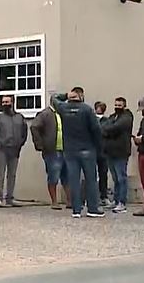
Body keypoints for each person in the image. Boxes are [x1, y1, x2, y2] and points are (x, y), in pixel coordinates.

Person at [57, 87, 103, 218]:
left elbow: (53, 98)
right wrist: (99, 147)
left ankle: (76, 210)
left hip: (70, 150)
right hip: (87, 148)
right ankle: (92, 209)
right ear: (81, 96)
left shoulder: (62, 108)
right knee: (91, 180)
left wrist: (66, 95)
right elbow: (96, 129)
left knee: (73, 180)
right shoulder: (87, 109)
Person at [31, 94, 70, 210]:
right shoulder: (45, 114)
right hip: (52, 151)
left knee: (67, 177)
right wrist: (40, 145)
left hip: (65, 149)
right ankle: (54, 201)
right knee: (53, 176)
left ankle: (70, 201)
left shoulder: (64, 114)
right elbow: (34, 127)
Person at [0, 95, 28, 207]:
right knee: (0, 174)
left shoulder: (20, 117)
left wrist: (20, 144)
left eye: (7, 102)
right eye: (3, 102)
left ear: (12, 102)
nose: (5, 104)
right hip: (2, 150)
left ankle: (10, 198)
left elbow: (24, 132)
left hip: (14, 150)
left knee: (12, 175)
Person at [101, 97, 134, 213]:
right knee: (115, 178)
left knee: (121, 178)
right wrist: (108, 130)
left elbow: (115, 127)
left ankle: (122, 202)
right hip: (110, 152)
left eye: (120, 105)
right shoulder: (112, 117)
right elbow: (103, 127)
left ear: (124, 106)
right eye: (116, 105)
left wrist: (108, 130)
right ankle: (116, 200)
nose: (117, 107)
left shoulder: (127, 117)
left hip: (121, 152)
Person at [94, 101, 110, 207]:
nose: (99, 109)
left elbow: (107, 132)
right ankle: (92, 196)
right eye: (98, 107)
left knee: (103, 175)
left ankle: (103, 196)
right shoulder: (92, 119)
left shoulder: (107, 120)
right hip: (93, 150)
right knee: (92, 175)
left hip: (104, 151)